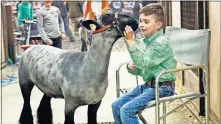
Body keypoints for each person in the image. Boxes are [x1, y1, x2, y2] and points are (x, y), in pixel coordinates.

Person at [112, 3, 177, 124]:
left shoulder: (162, 43)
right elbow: (140, 67)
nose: (141, 25)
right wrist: (130, 66)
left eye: (146, 22)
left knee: (127, 110)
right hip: (148, 86)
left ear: (158, 24)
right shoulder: (143, 41)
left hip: (163, 87)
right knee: (116, 105)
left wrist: (131, 42)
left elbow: (143, 62)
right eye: (140, 21)